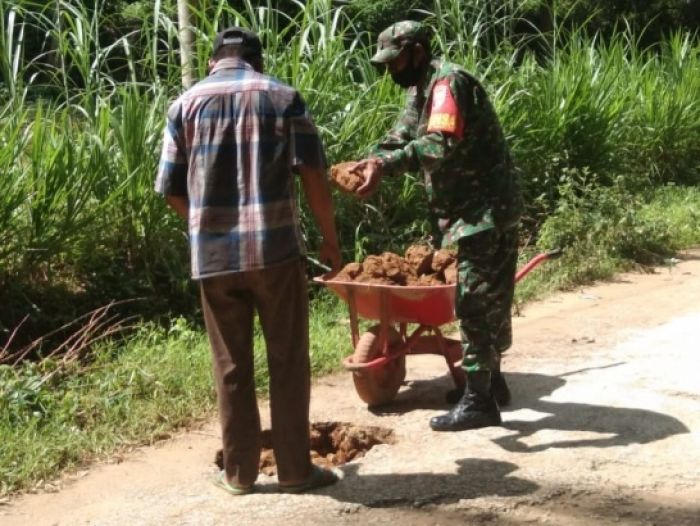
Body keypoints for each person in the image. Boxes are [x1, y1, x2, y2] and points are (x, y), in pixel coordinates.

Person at [155, 27, 342, 494]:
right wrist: (330, 240)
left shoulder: (184, 106)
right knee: (288, 358)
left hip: (215, 259)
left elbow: (170, 190)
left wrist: (207, 224)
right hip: (276, 253)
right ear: (256, 60)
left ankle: (239, 475)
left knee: (231, 366)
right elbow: (313, 175)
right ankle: (297, 470)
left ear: (213, 61)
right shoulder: (282, 97)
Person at [351, 21, 523, 431]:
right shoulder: (420, 90)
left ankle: (480, 401)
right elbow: (401, 136)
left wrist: (386, 166)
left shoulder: (448, 84)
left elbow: (438, 144)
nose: (390, 72)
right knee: (489, 299)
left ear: (416, 51)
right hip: (473, 213)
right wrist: (371, 161)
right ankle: (490, 384)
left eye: (394, 62)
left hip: (484, 211)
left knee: (476, 302)